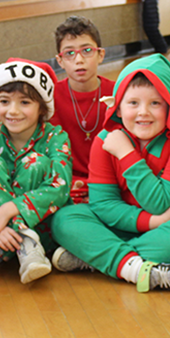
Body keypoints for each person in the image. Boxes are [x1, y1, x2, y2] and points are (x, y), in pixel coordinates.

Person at [49, 54, 170, 293]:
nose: (143, 112)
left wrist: (126, 154)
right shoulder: (106, 139)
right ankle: (140, 269)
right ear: (118, 106)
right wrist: (156, 220)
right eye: (133, 103)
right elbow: (103, 205)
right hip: (128, 223)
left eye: (155, 103)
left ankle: (96, 257)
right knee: (65, 219)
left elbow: (161, 203)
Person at [0, 59, 72, 284]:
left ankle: (26, 242)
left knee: (36, 162)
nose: (13, 111)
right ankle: (11, 240)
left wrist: (7, 211)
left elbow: (60, 186)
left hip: (42, 230)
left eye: (24, 102)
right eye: (4, 102)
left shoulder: (56, 137)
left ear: (42, 107)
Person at [51, 16, 115, 203]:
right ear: (60, 61)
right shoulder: (49, 97)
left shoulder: (119, 93)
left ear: (101, 55)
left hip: (111, 183)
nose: (79, 59)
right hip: (69, 185)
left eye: (87, 50)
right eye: (69, 53)